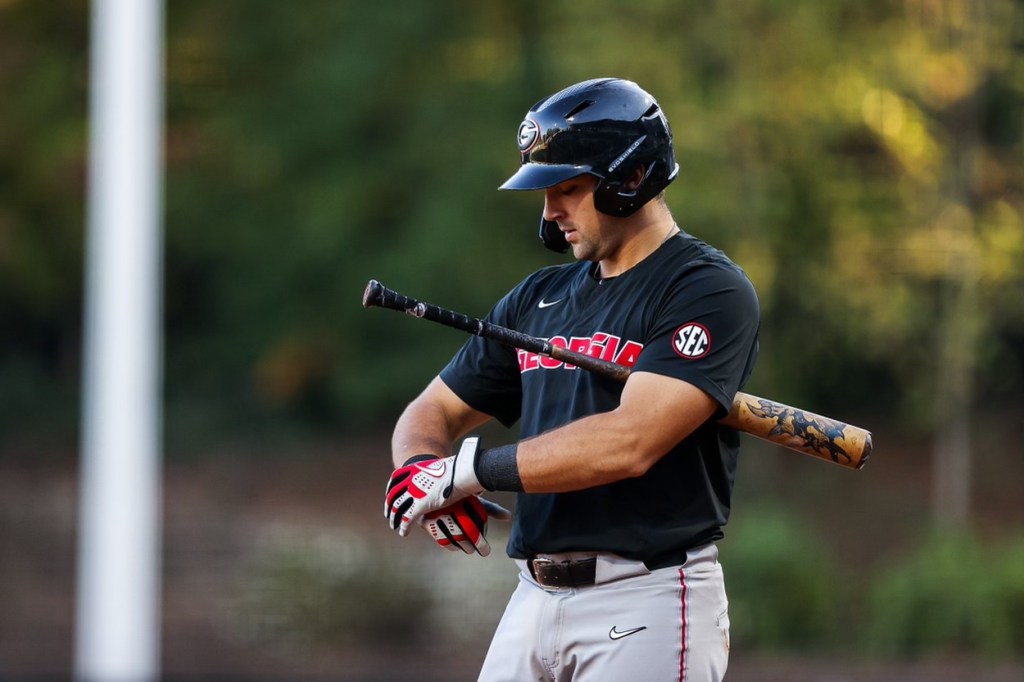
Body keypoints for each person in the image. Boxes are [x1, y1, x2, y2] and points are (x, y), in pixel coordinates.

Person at [383, 77, 760, 682]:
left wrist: (473, 471)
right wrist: (420, 473)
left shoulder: (705, 289)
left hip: (646, 599)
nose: (550, 212)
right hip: (532, 596)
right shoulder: (539, 296)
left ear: (631, 177)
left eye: (567, 189)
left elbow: (631, 441)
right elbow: (431, 414)